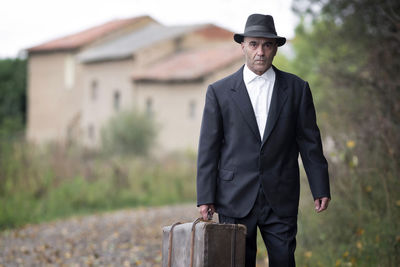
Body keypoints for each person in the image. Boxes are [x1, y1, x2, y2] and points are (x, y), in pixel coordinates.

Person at [196, 14, 331, 267]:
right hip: (233, 197)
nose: (260, 51)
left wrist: (320, 186)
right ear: (243, 46)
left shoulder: (297, 89)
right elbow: (208, 149)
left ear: (275, 49)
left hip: (281, 196)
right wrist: (205, 196)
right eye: (254, 44)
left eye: (267, 45)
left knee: (284, 261)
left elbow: (310, 142)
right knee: (237, 262)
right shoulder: (219, 92)